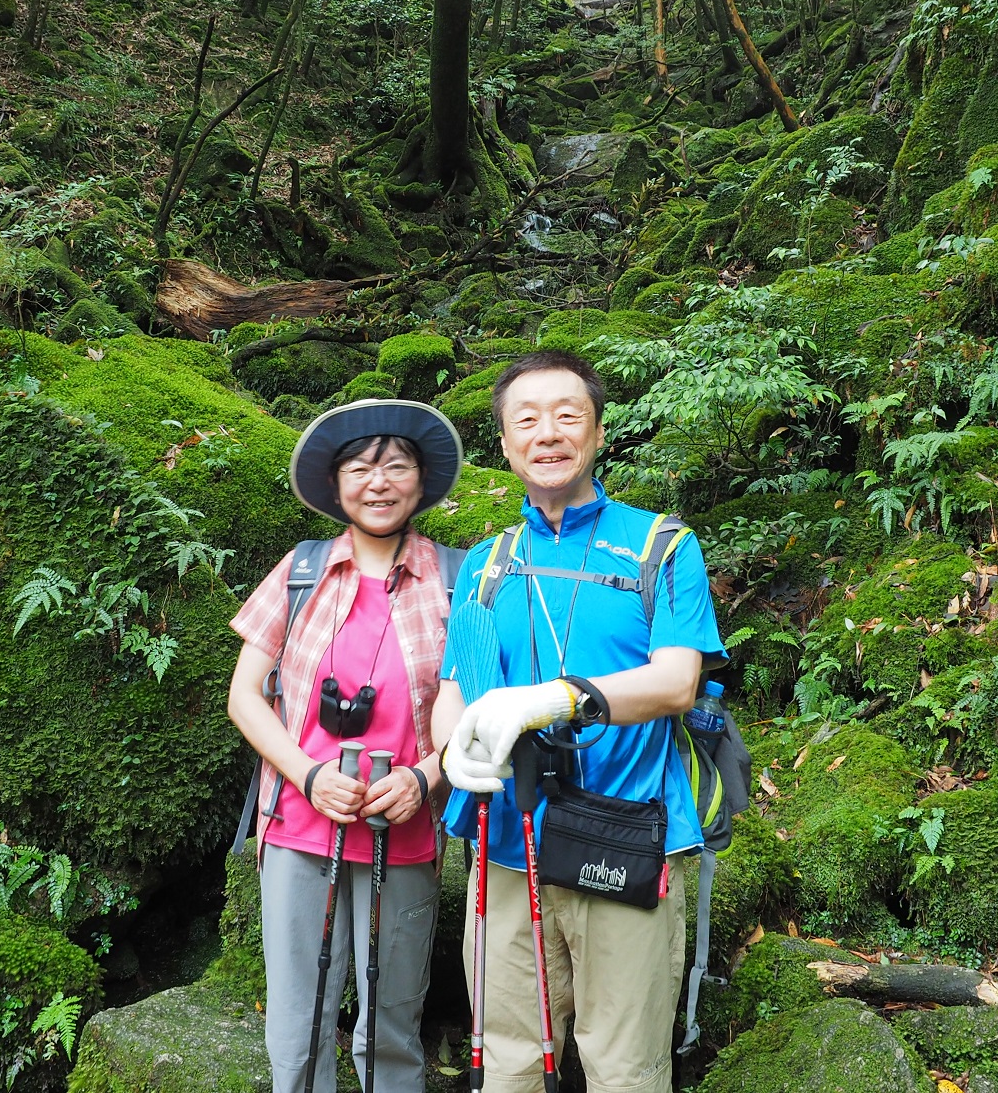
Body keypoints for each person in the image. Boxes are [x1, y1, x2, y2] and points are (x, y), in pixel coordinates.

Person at [432, 350, 723, 1093]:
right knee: (508, 1060)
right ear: (504, 444)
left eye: (568, 415)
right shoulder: (488, 562)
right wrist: (450, 750)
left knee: (625, 1067)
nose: (548, 433)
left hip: (624, 836)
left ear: (597, 433)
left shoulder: (662, 546)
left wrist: (551, 700)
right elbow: (457, 686)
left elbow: (676, 682)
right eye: (526, 420)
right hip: (504, 846)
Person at [226, 399, 466, 1093]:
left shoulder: (456, 579)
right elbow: (245, 696)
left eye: (396, 465)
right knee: (298, 1022)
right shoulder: (301, 571)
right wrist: (306, 775)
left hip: (409, 830)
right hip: (300, 828)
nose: (379, 481)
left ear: (421, 481)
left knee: (392, 1022)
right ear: (336, 488)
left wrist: (425, 777)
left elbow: (476, 711)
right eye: (360, 467)